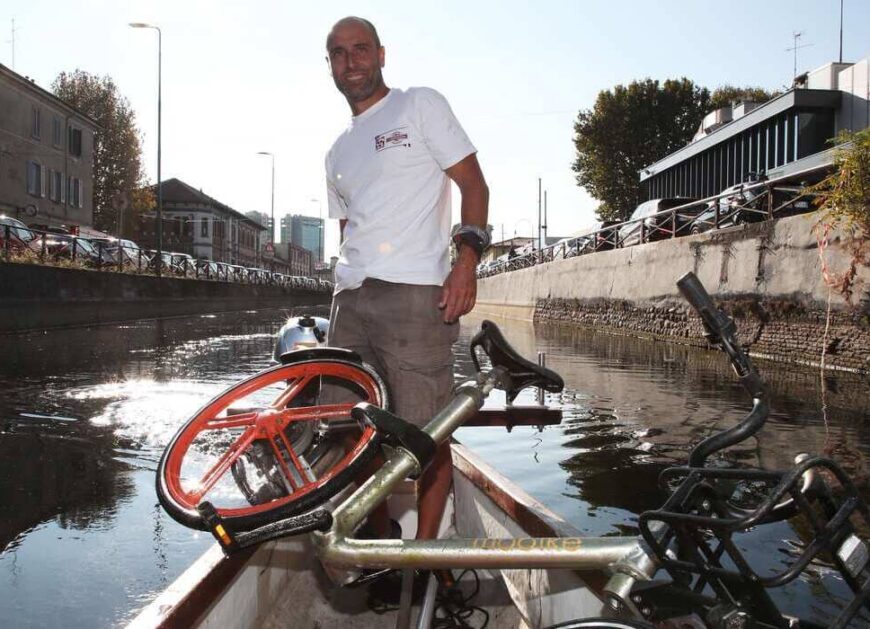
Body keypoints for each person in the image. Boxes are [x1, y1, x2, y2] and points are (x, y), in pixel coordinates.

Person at [324, 16, 489, 541]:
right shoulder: (336, 152)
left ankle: (424, 558)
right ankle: (379, 536)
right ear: (329, 64)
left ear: (381, 54)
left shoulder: (419, 105)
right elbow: (351, 228)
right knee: (350, 427)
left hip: (416, 294)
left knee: (428, 433)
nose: (352, 62)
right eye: (339, 53)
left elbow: (474, 186)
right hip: (349, 300)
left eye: (361, 49)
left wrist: (466, 263)